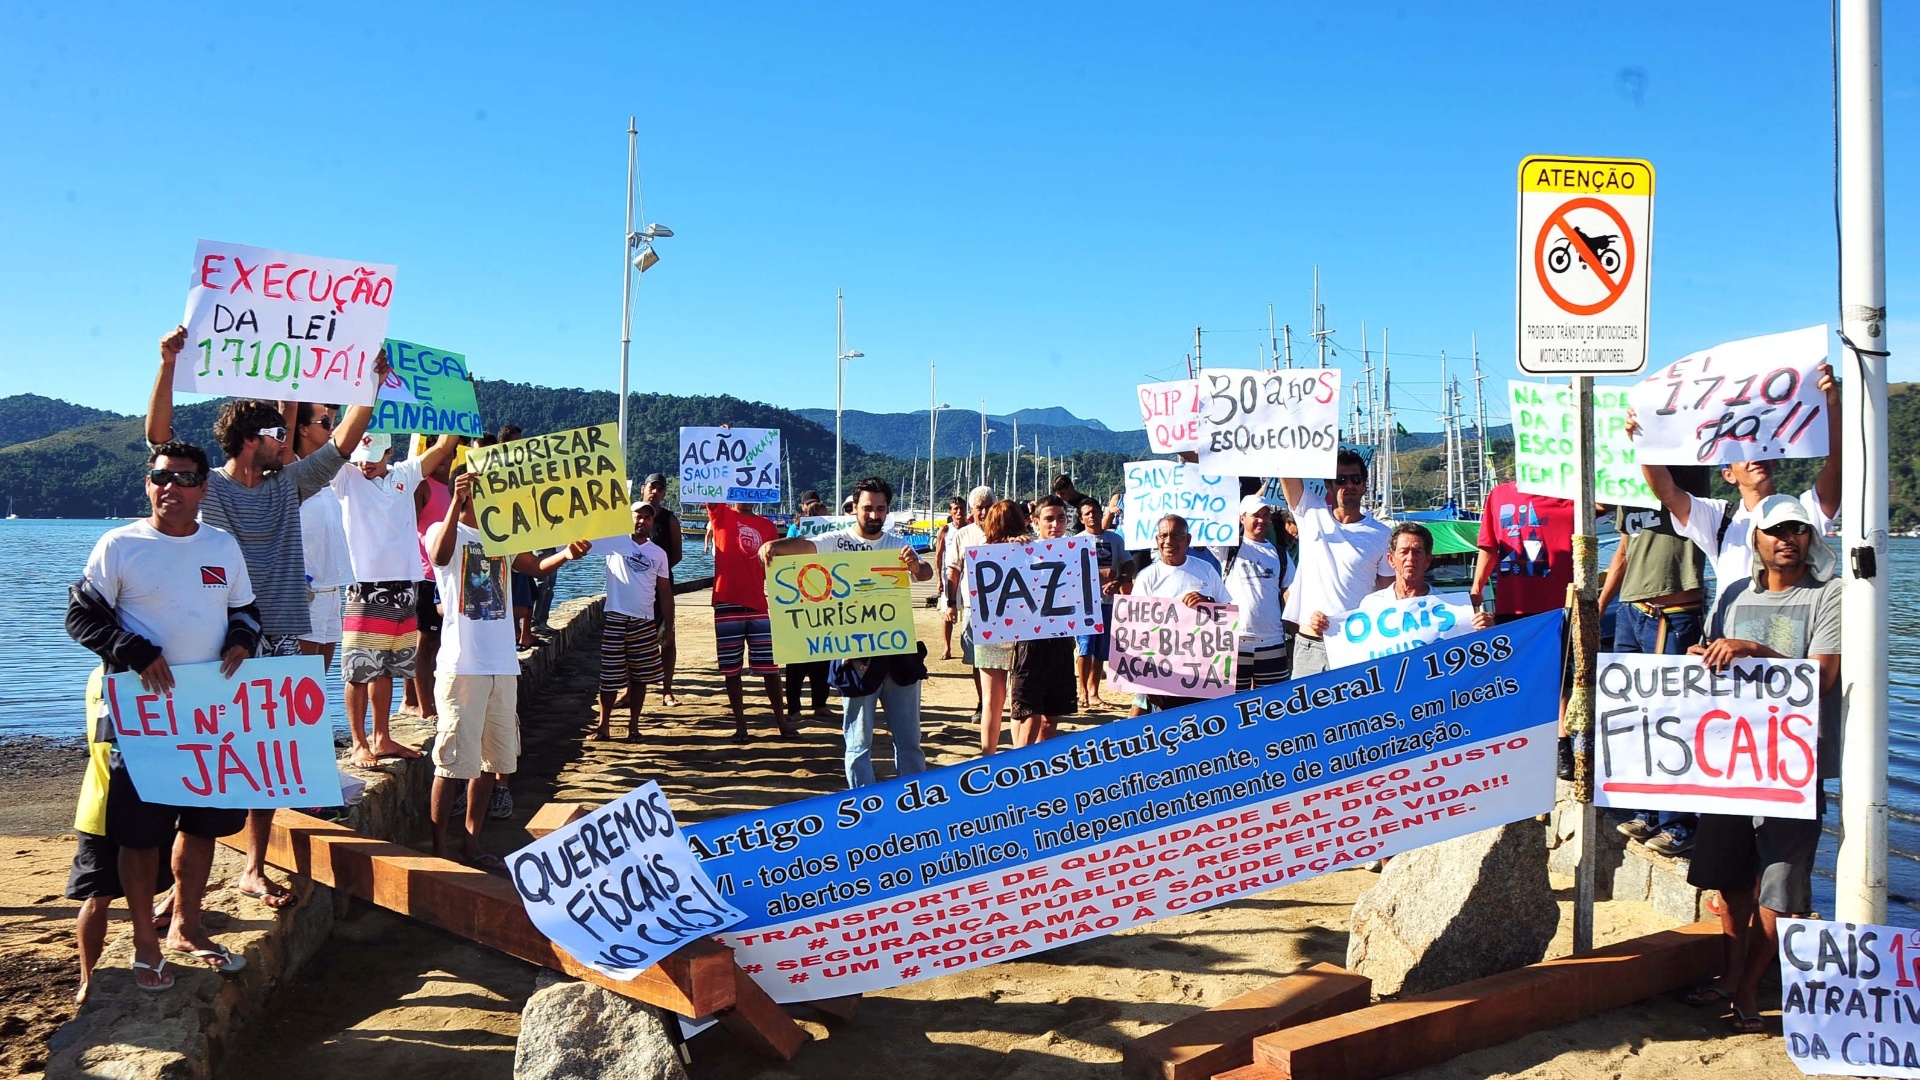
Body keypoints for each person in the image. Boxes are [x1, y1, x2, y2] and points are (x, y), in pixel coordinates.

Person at [145, 326, 381, 912]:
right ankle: (179, 888)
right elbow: (159, 438)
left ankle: (252, 867)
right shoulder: (206, 487)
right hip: (213, 637)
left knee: (266, 755)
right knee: (203, 756)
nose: (290, 436)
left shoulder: (289, 484)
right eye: (280, 430)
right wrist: (168, 363)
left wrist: (370, 383)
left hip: (277, 633)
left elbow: (343, 445)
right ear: (255, 439)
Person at [66, 441, 261, 990]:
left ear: (204, 487)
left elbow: (245, 610)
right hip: (139, 718)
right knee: (138, 832)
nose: (169, 486)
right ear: (148, 484)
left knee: (203, 826)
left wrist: (244, 641)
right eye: (160, 476)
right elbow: (81, 619)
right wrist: (135, 651)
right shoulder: (120, 544)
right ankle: (145, 944)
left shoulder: (222, 546)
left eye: (183, 478)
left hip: (209, 713)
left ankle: (186, 924)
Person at [1680, 494, 1843, 1034]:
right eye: (1775, 530)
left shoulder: (1831, 596)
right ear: (1756, 540)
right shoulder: (1730, 595)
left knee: (1780, 883)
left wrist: (1756, 649)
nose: (1786, 539)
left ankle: (1750, 986)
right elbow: (1710, 658)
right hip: (1730, 762)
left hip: (1794, 765)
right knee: (1730, 880)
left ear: (1809, 537)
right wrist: (1696, 661)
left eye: (1797, 529)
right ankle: (1730, 976)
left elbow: (1822, 676)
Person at [423, 470, 579, 871]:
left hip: (501, 665)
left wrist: (568, 553)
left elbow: (537, 567)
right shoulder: (445, 531)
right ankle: (439, 850)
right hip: (463, 667)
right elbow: (438, 557)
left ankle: (472, 844)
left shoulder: (503, 539)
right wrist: (456, 504)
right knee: (452, 761)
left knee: (492, 763)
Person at [761, 476, 934, 788]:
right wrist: (776, 545)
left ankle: (914, 803)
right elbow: (803, 547)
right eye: (868, 508)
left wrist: (916, 567)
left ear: (887, 511)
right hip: (853, 657)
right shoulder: (836, 541)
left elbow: (926, 573)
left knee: (910, 743)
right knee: (857, 746)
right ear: (855, 508)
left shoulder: (898, 545)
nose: (874, 515)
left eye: (880, 509)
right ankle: (864, 806)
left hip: (898, 655)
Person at [1633, 365, 1842, 606]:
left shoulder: (1804, 511)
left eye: (1760, 449)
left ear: (1774, 460)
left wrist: (1832, 406)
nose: (1755, 457)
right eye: (1742, 452)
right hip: (1730, 635)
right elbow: (1666, 492)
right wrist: (1643, 441)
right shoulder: (1719, 518)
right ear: (1728, 475)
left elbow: (1836, 464)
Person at [1602, 467, 1712, 857]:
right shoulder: (1622, 485)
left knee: (1671, 717)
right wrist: (1601, 605)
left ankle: (1679, 822)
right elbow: (1623, 552)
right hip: (1632, 611)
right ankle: (1647, 811)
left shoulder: (1685, 475)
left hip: (1674, 608)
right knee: (1635, 715)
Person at [334, 433, 459, 769]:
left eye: (373, 455)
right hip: (366, 586)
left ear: (389, 451)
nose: (366, 462)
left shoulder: (405, 473)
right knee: (359, 669)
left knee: (389, 667)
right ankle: (359, 742)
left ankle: (382, 736)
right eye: (361, 454)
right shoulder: (346, 477)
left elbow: (444, 447)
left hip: (405, 584)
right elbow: (333, 444)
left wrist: (457, 402)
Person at [1470, 478, 1576, 777]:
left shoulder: (1568, 491)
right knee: (1514, 679)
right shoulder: (1499, 494)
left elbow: (1603, 505)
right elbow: (1489, 546)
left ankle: (1561, 742)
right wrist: (1477, 587)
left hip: (1559, 603)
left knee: (1558, 678)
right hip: (1511, 603)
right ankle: (1516, 745)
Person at [1280, 451, 1394, 678]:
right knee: (1305, 714)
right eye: (1341, 480)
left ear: (1364, 485)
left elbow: (1387, 595)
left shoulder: (1382, 534)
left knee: (1359, 715)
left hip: (1358, 647)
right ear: (1328, 485)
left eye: (1355, 479)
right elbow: (1285, 466)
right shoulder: (1309, 512)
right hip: (1311, 645)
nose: (1348, 485)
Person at [578, 501, 674, 741]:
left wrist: (668, 626)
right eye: (637, 516)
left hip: (644, 620)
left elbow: (665, 592)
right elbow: (581, 541)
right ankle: (603, 725)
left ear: (652, 522)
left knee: (641, 677)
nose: (642, 521)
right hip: (615, 617)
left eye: (647, 518)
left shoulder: (658, 553)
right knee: (609, 677)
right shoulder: (612, 543)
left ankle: (634, 726)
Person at [708, 501, 791, 742]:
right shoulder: (721, 514)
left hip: (758, 604)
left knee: (770, 668)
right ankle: (741, 725)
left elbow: (777, 567)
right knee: (732, 670)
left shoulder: (767, 526)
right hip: (726, 602)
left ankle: (781, 721)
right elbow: (711, 485)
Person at [1130, 514, 1229, 712]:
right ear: (1157, 540)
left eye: (1176, 535)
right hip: (1164, 674)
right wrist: (1147, 681)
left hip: (1203, 673)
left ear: (1188, 540)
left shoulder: (1206, 570)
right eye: (1164, 535)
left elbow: (1227, 615)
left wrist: (1208, 604)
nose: (1169, 541)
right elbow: (1136, 632)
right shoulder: (1146, 577)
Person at [1006, 496, 1080, 745]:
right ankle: (1020, 773)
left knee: (1050, 720)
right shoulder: (1024, 551)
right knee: (1028, 715)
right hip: (1030, 643)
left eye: (1061, 518)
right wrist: (1014, 549)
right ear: (1035, 522)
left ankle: (1039, 772)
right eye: (1049, 518)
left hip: (1062, 641)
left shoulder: (1076, 552)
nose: (1056, 524)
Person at [1209, 494, 1295, 692]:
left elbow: (1289, 593)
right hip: (1236, 640)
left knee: (1275, 702)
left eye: (1266, 515)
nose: (1262, 520)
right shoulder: (1228, 548)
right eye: (1256, 515)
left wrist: (1295, 629)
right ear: (1242, 518)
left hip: (1272, 639)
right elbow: (1210, 527)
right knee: (1232, 701)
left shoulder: (1280, 554)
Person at [968, 499, 1029, 754]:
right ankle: (1016, 757)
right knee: (1019, 700)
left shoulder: (981, 554)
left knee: (991, 702)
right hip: (1023, 633)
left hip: (990, 630)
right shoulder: (1031, 550)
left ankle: (987, 755)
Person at [294, 404, 352, 672]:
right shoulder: (290, 474)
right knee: (302, 679)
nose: (332, 429)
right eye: (325, 423)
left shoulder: (327, 475)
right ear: (303, 428)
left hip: (331, 589)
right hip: (306, 592)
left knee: (319, 680)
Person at [1075, 497, 1132, 709]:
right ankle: (1081, 690)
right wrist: (1099, 573)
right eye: (1086, 513)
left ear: (1102, 513)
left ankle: (1094, 691)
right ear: (1081, 519)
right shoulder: (1076, 541)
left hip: (1108, 603)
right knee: (1085, 647)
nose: (1091, 516)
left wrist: (1119, 581)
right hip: (1085, 604)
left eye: (1094, 511)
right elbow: (1069, 572)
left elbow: (1129, 565)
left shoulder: (1115, 540)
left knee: (1101, 651)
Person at [945, 486, 994, 720]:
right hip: (974, 607)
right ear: (972, 510)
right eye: (979, 508)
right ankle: (983, 702)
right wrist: (951, 603)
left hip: (1004, 607)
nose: (983, 512)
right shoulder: (963, 535)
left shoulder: (1006, 531)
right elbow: (953, 572)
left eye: (987, 507)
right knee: (978, 658)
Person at [638, 473, 686, 706]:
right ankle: (631, 691)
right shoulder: (632, 517)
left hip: (662, 586)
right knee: (634, 640)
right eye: (652, 487)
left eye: (660, 489)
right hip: (636, 589)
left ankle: (667, 691)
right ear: (642, 489)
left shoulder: (669, 520)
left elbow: (677, 554)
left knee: (667, 637)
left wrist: (658, 570)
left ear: (664, 493)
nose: (655, 492)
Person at [932, 497, 967, 655]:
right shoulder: (945, 530)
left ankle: (968, 646)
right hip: (949, 575)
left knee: (968, 611)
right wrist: (939, 579)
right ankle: (947, 646)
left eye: (961, 508)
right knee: (948, 613)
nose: (959, 512)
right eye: (955, 509)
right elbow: (938, 556)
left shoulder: (971, 529)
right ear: (950, 512)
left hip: (967, 575)